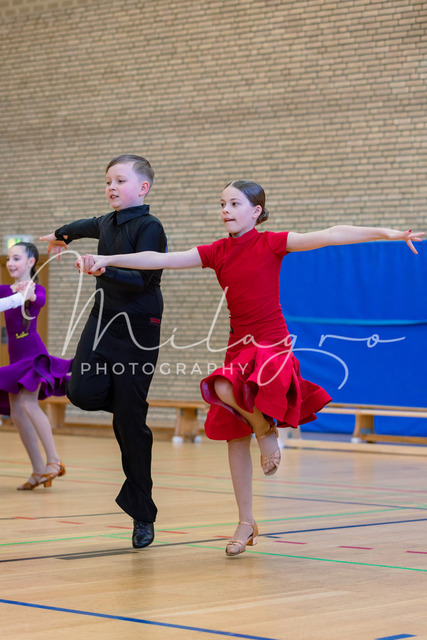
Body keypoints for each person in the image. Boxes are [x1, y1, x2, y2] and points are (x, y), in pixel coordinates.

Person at [81, 179, 424, 557]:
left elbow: (331, 234)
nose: (225, 210)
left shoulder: (272, 243)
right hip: (238, 345)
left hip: (271, 343)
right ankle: (246, 521)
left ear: (256, 211)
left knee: (222, 387)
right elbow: (161, 259)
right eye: (222, 204)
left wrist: (387, 233)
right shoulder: (217, 251)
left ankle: (265, 430)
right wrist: (108, 260)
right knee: (234, 432)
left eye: (234, 204)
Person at [40, 154, 167, 549]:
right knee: (80, 391)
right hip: (103, 319)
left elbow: (142, 279)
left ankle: (142, 515)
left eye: (120, 181)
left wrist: (103, 269)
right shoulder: (106, 222)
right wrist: (61, 234)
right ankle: (130, 405)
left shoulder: (150, 227)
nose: (111, 186)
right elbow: (85, 225)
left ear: (142, 188)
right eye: (108, 181)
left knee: (130, 424)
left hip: (138, 325)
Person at [0, 242, 72, 490]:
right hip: (15, 357)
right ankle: (39, 469)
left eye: (16, 258)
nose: (10, 263)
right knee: (17, 412)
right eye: (8, 259)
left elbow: (37, 299)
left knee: (28, 404)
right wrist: (16, 293)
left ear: (31, 262)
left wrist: (28, 294)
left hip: (33, 355)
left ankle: (54, 460)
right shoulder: (4, 290)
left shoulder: (37, 288)